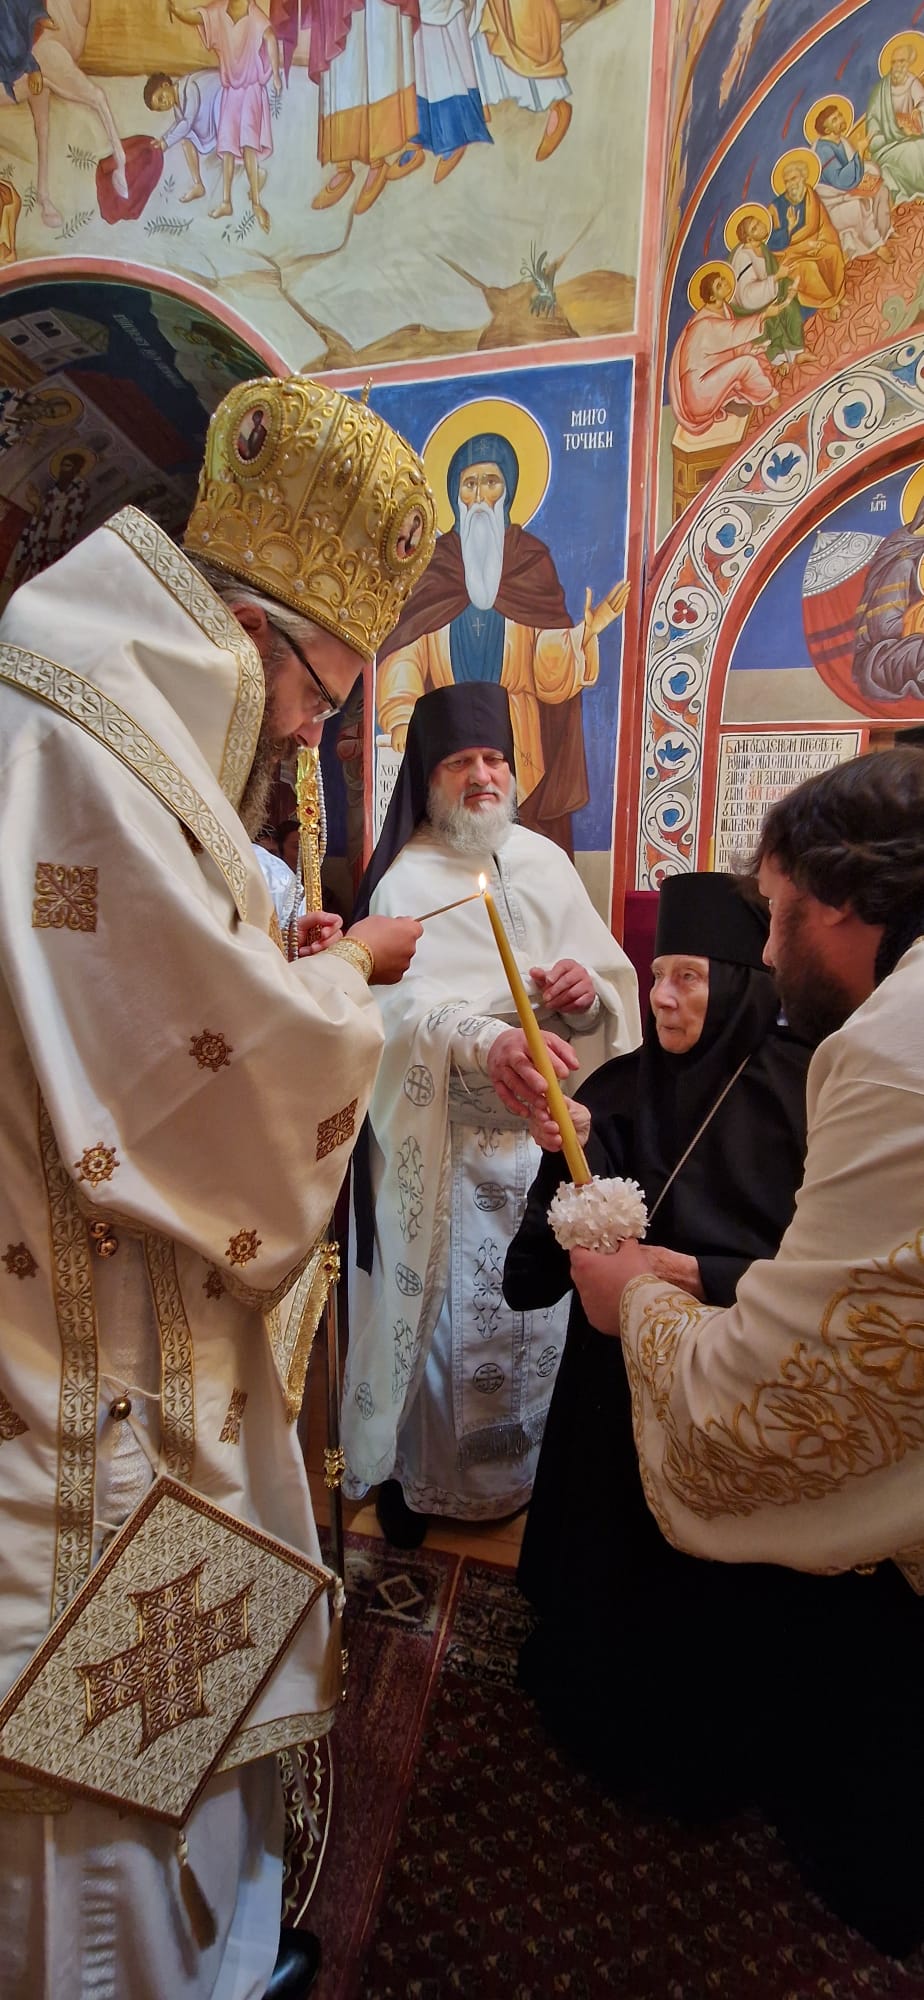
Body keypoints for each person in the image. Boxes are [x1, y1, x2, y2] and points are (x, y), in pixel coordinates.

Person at [0, 369, 436, 2000]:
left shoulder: (95, 712)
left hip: (118, 1342)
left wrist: (270, 953)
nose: (313, 733)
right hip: (80, 1395)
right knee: (97, 1821)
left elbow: (155, 1000)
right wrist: (351, 977)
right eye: (323, 695)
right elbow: (200, 1089)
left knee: (177, 1748)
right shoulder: (85, 739)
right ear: (256, 636)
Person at [569, 750, 924, 1958]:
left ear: (841, 897)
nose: (768, 952)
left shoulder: (883, 1049)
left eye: (773, 915)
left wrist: (642, 1293)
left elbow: (786, 1392)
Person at [504, 872, 813, 1807]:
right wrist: (573, 1156)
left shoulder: (806, 1094)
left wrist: (688, 1272)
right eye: (656, 975)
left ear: (743, 980)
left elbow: (817, 1279)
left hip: (720, 1394)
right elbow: (541, 1268)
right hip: (608, 1398)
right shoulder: (616, 1086)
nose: (664, 998)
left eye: (689, 977)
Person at [343, 683, 640, 1547]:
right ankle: (428, 1485)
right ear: (428, 778)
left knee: (537, 1316)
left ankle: (525, 1478)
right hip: (452, 1146)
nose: (482, 775)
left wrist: (585, 990)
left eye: (495, 758)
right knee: (448, 1321)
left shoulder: (544, 861)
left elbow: (609, 982)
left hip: (546, 1146)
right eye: (460, 761)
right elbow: (392, 1013)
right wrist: (482, 1040)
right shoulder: (406, 878)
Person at [376, 427, 630, 853]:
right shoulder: (432, 566)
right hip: (445, 747)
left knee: (523, 854)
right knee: (445, 851)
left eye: (491, 482)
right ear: (454, 493)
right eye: (469, 484)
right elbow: (408, 653)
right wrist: (402, 717)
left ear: (508, 490)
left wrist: (586, 632)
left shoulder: (530, 559)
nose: (479, 496)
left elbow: (544, 664)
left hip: (518, 739)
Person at [167, 0, 282, 231]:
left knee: (249, 146)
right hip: (231, 91)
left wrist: (276, 75)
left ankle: (256, 203)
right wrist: (175, 10)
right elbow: (197, 16)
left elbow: (270, 37)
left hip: (251, 90)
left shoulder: (254, 15)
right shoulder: (219, 11)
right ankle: (226, 202)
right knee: (227, 147)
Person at [669, 264, 778, 436]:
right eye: (719, 285)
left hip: (709, 383)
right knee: (747, 364)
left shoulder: (724, 310)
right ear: (712, 297)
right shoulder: (704, 324)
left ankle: (732, 401)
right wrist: (764, 315)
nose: (726, 282)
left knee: (753, 356)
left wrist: (754, 349)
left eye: (722, 279)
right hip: (698, 392)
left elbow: (734, 345)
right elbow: (733, 333)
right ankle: (774, 402)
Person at [767, 153, 846, 320]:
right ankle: (830, 302)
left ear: (803, 177)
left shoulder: (810, 195)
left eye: (794, 178)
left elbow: (823, 225)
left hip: (813, 244)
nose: (791, 184)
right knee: (809, 267)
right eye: (787, 181)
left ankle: (837, 294)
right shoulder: (775, 207)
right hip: (789, 253)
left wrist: (821, 241)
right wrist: (788, 228)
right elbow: (772, 243)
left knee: (832, 252)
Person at [811, 100, 893, 261]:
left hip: (848, 191)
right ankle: (878, 246)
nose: (841, 120)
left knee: (881, 189)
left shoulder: (841, 141)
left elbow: (855, 168)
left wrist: (869, 173)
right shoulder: (823, 150)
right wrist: (860, 151)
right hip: (834, 204)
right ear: (827, 130)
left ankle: (885, 232)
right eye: (835, 120)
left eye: (839, 115)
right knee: (858, 207)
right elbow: (841, 181)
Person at [145, 68, 223, 202]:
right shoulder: (178, 104)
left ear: (165, 85)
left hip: (224, 96)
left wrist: (166, 142)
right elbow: (180, 124)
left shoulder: (188, 87)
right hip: (210, 109)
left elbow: (187, 122)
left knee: (187, 133)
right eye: (160, 108)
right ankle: (198, 184)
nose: (164, 104)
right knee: (185, 139)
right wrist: (163, 139)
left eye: (161, 98)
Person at [867, 39, 924, 202]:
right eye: (894, 62)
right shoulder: (880, 92)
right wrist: (892, 133)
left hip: (913, 136)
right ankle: (906, 197)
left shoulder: (912, 82)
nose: (897, 66)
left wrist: (917, 113)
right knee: (912, 150)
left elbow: (922, 102)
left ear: (909, 63)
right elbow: (873, 125)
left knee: (920, 146)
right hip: (887, 146)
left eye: (902, 61)